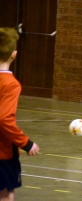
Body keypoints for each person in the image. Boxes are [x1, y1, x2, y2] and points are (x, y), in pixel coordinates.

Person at [0, 27, 39, 201]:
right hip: (2, 153)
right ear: (13, 54)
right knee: (6, 194)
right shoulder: (11, 84)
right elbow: (3, 118)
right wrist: (26, 143)